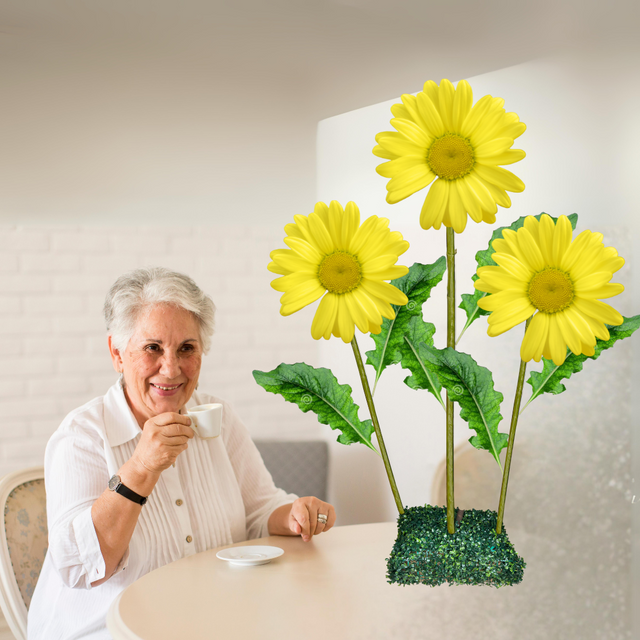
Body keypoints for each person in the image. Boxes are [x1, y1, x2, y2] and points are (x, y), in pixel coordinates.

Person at [28, 267, 336, 639]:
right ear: (117, 353)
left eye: (186, 348)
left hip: (206, 621)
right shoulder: (81, 436)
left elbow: (259, 511)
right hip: (106, 630)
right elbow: (80, 567)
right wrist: (142, 467)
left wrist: (294, 515)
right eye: (152, 348)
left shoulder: (218, 417)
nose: (170, 368)